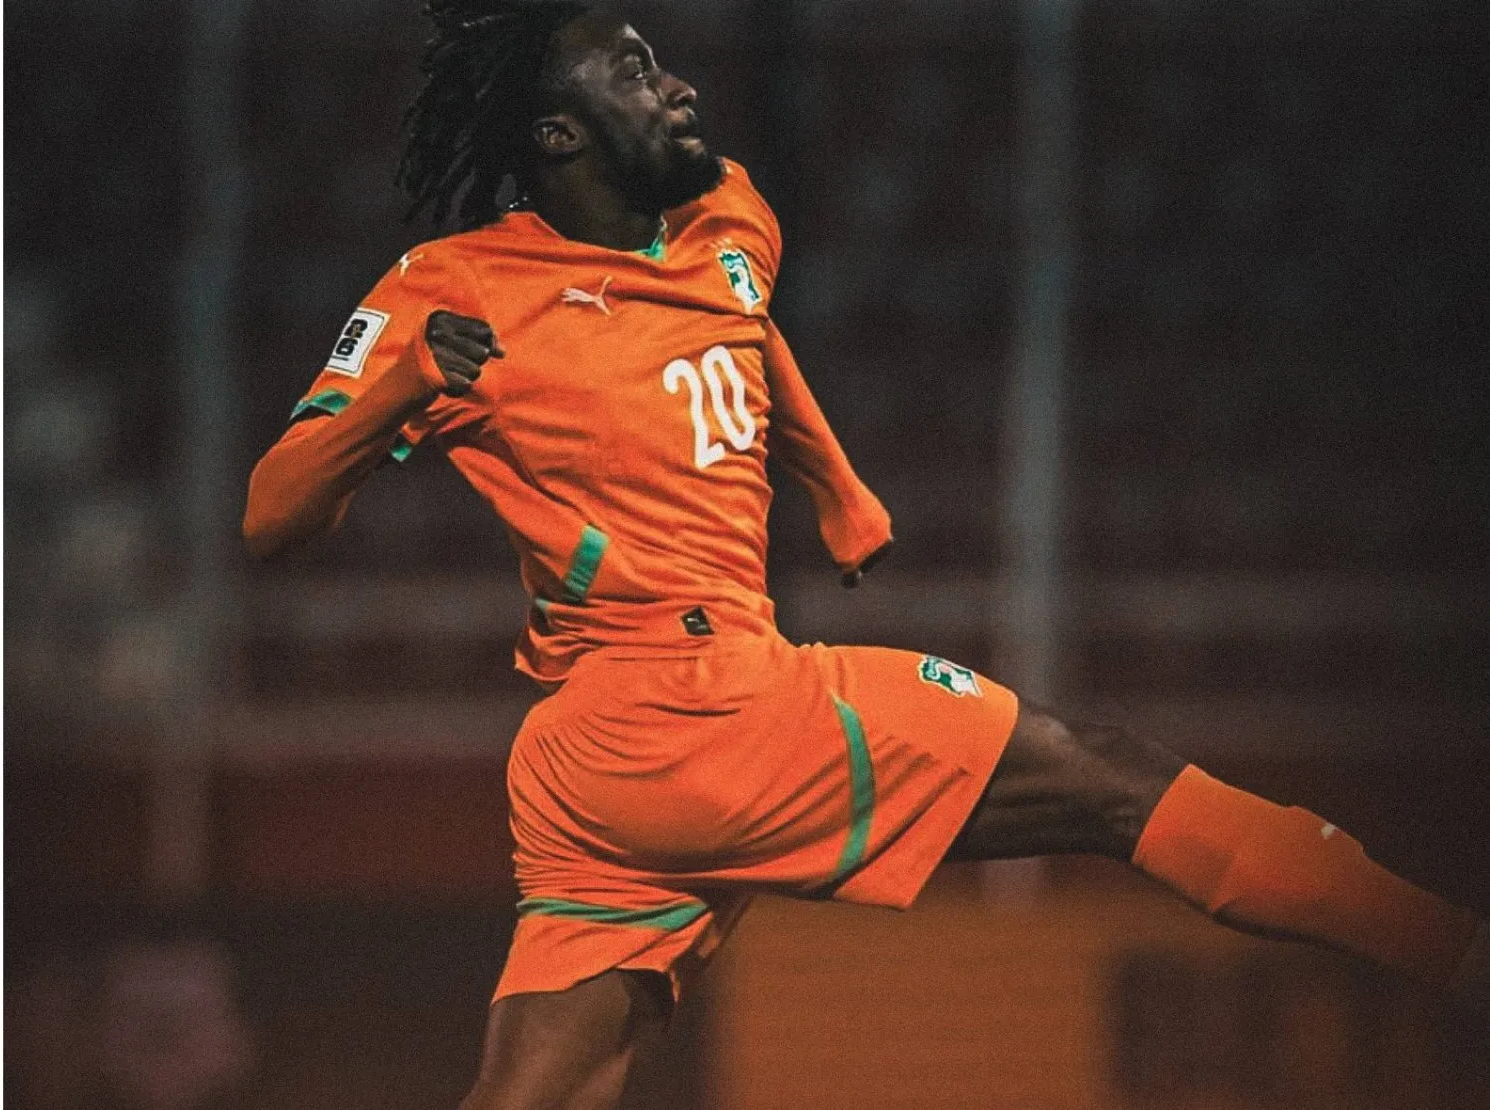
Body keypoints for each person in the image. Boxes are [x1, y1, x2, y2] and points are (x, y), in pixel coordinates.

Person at [243, 3, 1488, 1106]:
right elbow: (271, 517)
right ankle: (1458, 955)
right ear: (559, 135)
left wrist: (834, 480)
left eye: (661, 61)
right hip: (693, 707)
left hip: (599, 775)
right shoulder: (452, 288)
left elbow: (742, 328)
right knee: (1108, 779)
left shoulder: (729, 215)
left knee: (537, 1091)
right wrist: (400, 384)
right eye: (633, 72)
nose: (676, 86)